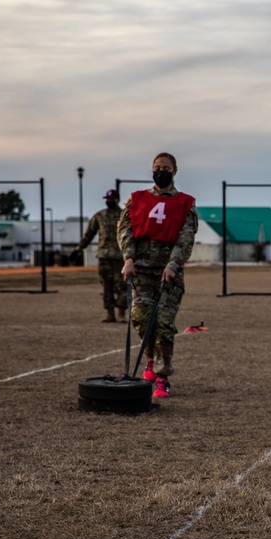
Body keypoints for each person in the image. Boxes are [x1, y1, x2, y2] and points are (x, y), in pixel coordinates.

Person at [118, 152, 198, 399]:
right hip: (141, 268)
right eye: (157, 167)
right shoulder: (137, 199)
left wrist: (173, 264)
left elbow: (186, 237)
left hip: (168, 272)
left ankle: (162, 376)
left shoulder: (185, 203)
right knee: (141, 317)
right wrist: (128, 259)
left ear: (174, 171)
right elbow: (125, 229)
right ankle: (151, 358)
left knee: (163, 322)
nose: (160, 170)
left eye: (165, 167)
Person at [74, 189, 127, 323]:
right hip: (104, 256)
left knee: (122, 286)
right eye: (107, 199)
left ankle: (121, 313)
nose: (109, 202)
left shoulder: (125, 216)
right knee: (106, 286)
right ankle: (110, 313)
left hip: (120, 257)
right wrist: (79, 248)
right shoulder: (99, 216)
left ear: (118, 200)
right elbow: (89, 234)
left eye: (112, 199)